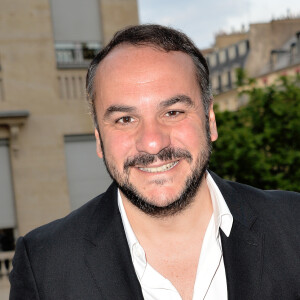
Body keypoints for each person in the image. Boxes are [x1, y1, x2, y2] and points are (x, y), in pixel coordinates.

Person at [9, 25, 300, 300]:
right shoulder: (45, 267)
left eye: (173, 112)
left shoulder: (293, 225)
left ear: (210, 120)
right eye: (125, 119)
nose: (152, 142)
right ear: (99, 139)